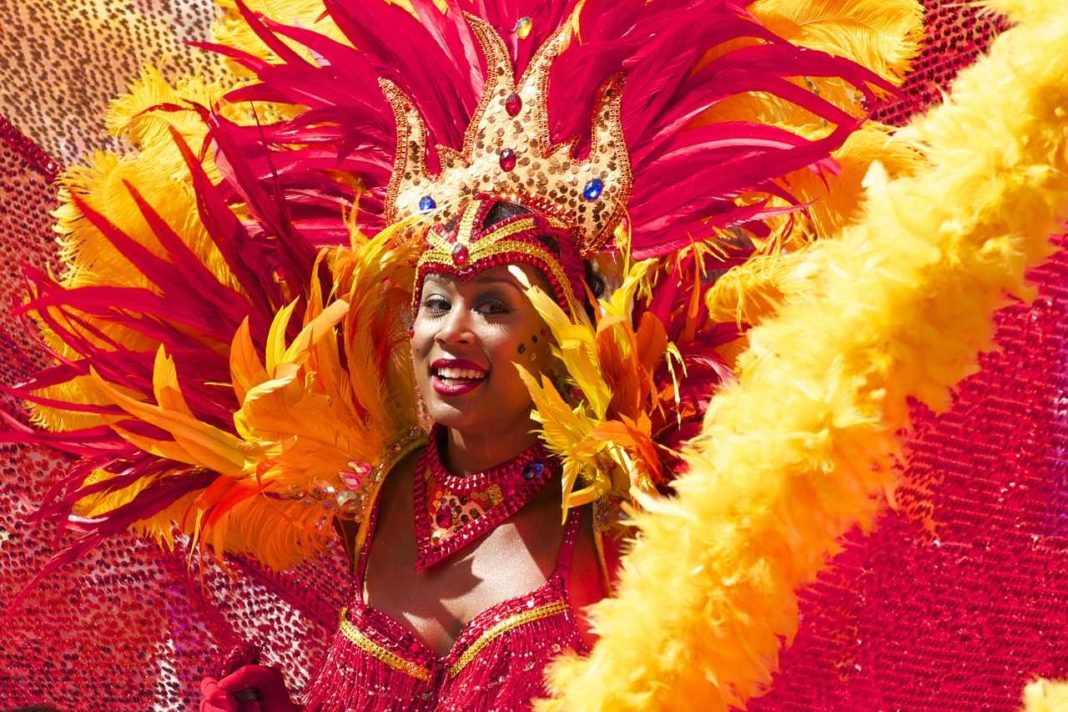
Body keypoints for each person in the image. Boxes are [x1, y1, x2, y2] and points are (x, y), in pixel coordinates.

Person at [5, 0, 923, 709]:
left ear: (557, 333)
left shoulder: (616, 524)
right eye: (436, 301)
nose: (450, 330)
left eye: (492, 305)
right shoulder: (378, 487)